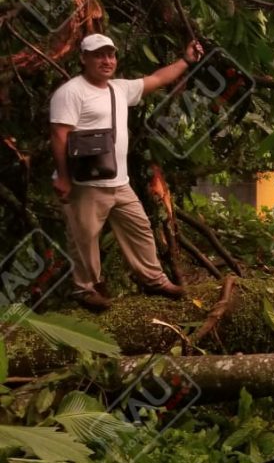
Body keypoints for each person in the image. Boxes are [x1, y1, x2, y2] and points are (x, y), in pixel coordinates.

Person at [50, 33, 203, 311]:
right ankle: (86, 290)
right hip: (85, 182)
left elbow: (157, 79)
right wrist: (62, 177)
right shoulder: (70, 92)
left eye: (110, 55)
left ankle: (154, 280)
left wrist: (185, 60)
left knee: (141, 228)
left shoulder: (118, 89)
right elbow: (59, 135)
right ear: (83, 59)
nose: (106, 60)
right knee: (84, 236)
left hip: (119, 181)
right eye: (99, 55)